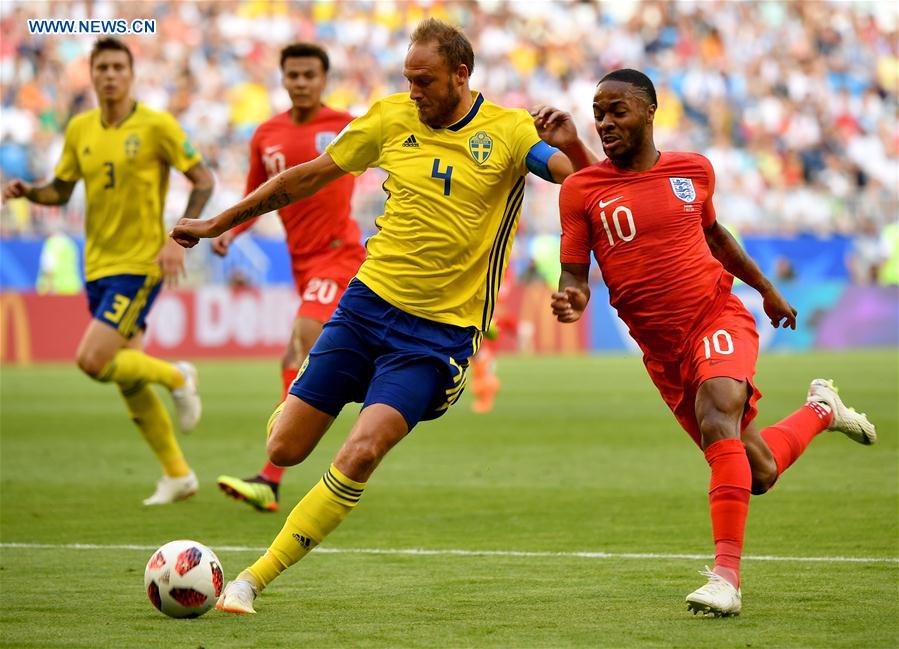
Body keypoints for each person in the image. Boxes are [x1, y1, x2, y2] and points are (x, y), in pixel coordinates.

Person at [172, 18, 597, 614]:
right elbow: (307, 177)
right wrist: (219, 222)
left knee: (362, 450)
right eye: (408, 79)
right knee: (285, 448)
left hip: (437, 337)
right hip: (366, 307)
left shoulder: (508, 130)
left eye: (425, 81)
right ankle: (316, 397)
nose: (413, 92)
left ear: (461, 74)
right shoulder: (390, 116)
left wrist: (573, 149)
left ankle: (251, 580)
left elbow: (579, 182)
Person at [551, 69, 876, 617]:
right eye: (598, 113)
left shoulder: (693, 170)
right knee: (759, 471)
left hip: (715, 316)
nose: (605, 122)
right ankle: (823, 409)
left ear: (650, 111)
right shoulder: (581, 190)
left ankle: (725, 578)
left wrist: (766, 289)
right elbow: (574, 274)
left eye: (617, 111)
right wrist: (573, 298)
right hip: (663, 353)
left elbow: (716, 236)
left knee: (717, 411)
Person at [2, 38, 214, 505]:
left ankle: (178, 376)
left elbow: (203, 179)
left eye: (119, 67)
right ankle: (178, 474)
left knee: (92, 360)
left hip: (140, 263)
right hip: (96, 264)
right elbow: (60, 191)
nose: (111, 75)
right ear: (92, 74)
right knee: (127, 377)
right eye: (103, 67)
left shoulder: (157, 125)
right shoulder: (80, 128)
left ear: (131, 75)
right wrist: (29, 192)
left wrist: (179, 237)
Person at [214, 43, 364, 513]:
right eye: (293, 75)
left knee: (303, 337)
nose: (301, 82)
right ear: (282, 79)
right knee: (293, 356)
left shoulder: (347, 126)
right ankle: (274, 476)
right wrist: (230, 232)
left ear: (323, 80)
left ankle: (275, 470)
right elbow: (256, 196)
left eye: (309, 75)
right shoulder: (267, 134)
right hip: (302, 262)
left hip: (340, 254)